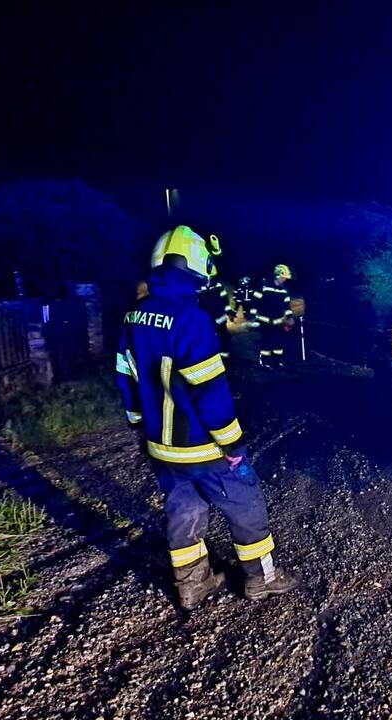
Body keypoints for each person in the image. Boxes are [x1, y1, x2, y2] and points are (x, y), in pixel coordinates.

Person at [116, 226, 299, 609]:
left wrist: (138, 423)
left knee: (183, 507)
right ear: (197, 267)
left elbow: (126, 376)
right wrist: (232, 444)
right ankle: (262, 578)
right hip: (201, 446)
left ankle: (192, 584)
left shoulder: (133, 317)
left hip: (160, 446)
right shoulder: (192, 319)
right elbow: (210, 393)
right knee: (245, 501)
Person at [256, 264, 297, 368]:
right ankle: (265, 362)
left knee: (279, 342)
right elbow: (256, 301)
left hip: (278, 320)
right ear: (277, 275)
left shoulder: (284, 290)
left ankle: (277, 362)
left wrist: (289, 317)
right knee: (266, 342)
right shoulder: (264, 286)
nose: (285, 280)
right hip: (265, 319)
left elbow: (286, 306)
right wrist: (254, 314)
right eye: (283, 277)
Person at [197, 267, 234, 361]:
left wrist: (229, 312)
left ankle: (224, 357)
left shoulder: (218, 286)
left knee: (223, 337)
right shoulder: (197, 288)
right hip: (207, 321)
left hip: (220, 319)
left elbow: (225, 301)